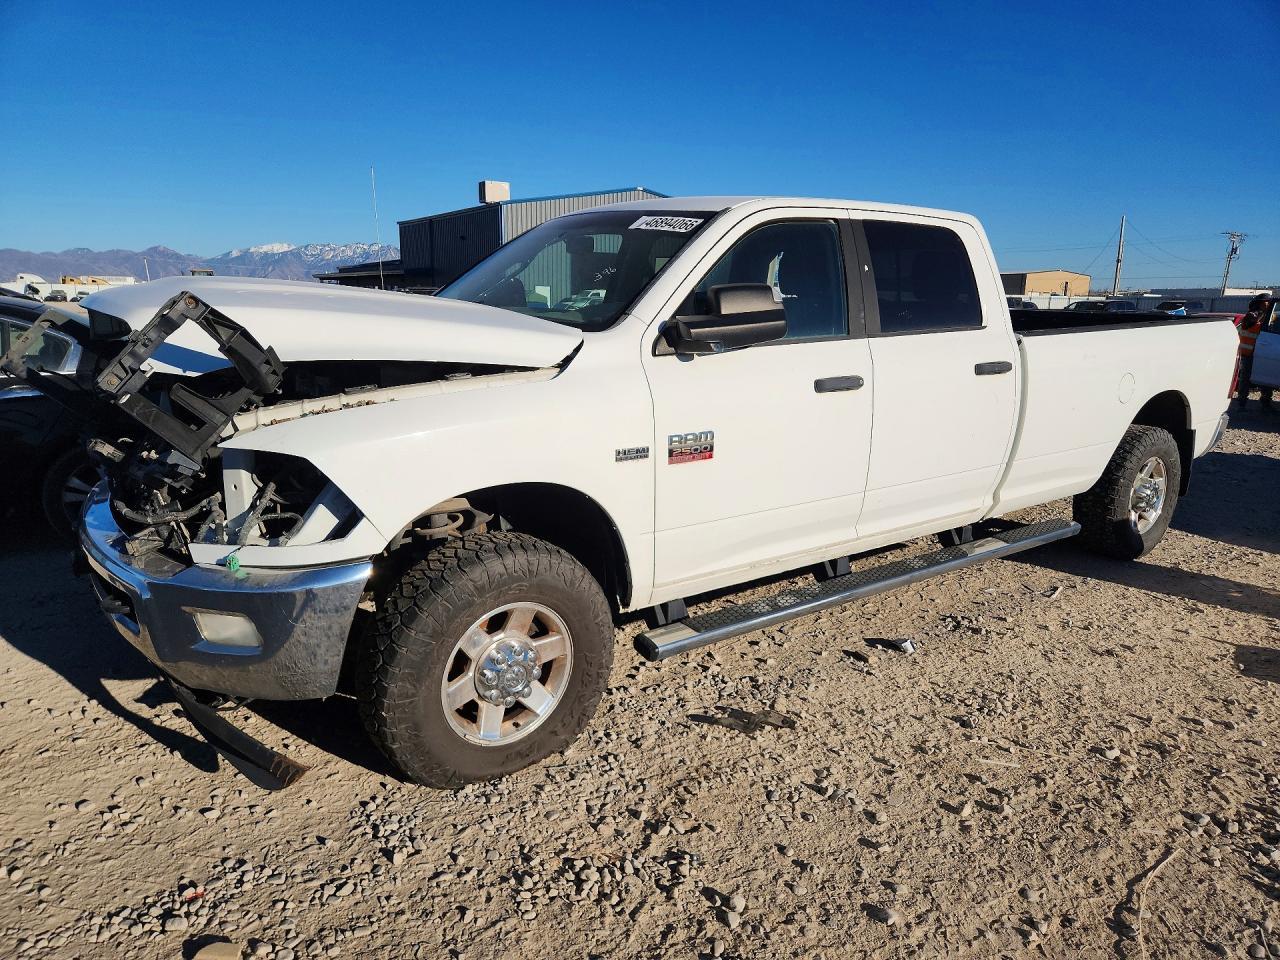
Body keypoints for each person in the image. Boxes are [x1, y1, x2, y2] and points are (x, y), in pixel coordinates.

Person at [1234, 295, 1275, 410]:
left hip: (1261, 353)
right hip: (1249, 353)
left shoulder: (1270, 317)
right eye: (1267, 302)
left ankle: (1265, 401)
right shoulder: (1252, 315)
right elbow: (1249, 325)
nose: (1268, 304)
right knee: (1245, 378)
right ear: (1261, 303)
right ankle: (1241, 402)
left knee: (1265, 378)